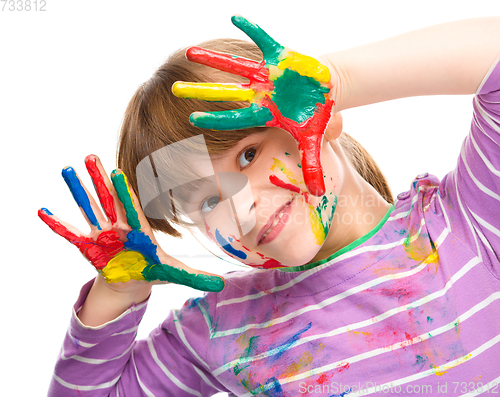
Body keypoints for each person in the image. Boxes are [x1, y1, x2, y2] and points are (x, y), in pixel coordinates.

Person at [41, 15, 500, 396]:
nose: (239, 212)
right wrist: (117, 292)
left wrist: (338, 79)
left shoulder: (464, 223)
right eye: (206, 202)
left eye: (249, 154)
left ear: (322, 117)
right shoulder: (220, 328)